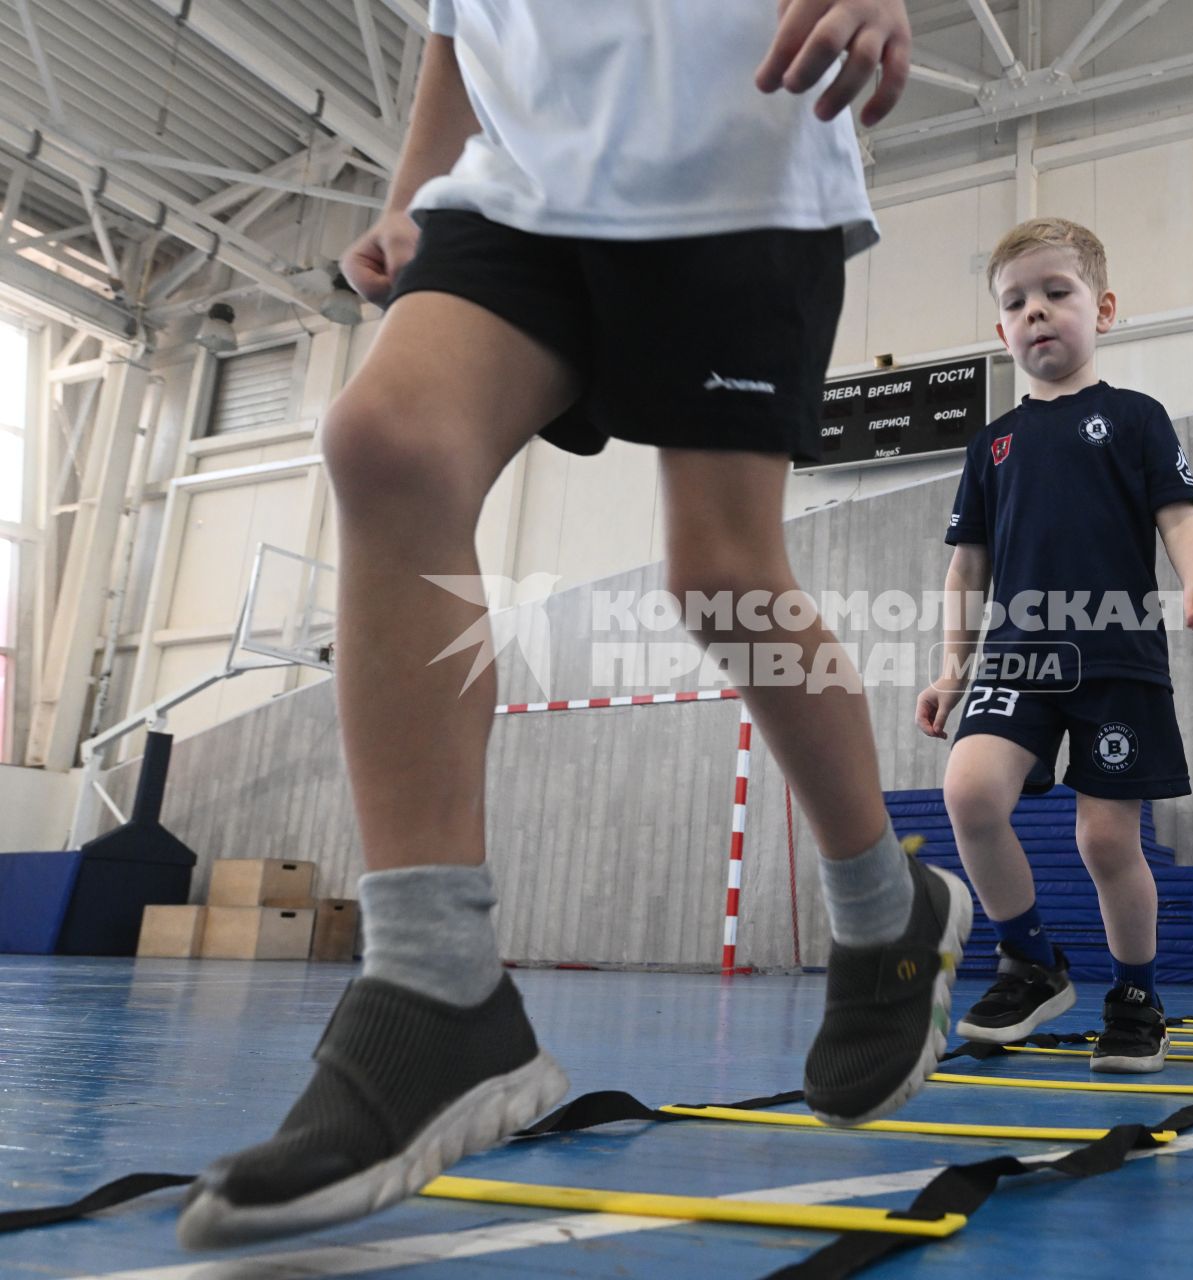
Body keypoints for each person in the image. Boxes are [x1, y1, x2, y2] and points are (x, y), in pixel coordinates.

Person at [176, 0, 976, 1251]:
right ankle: (435, 979)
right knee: (386, 442)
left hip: (742, 160)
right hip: (515, 188)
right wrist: (414, 189)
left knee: (721, 577)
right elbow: (460, 24)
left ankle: (885, 905)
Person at [916, 217, 1193, 1072]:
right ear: (1000, 332)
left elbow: (1179, 516)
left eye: (1055, 293)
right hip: (1017, 656)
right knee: (969, 792)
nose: (1036, 313)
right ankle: (1030, 957)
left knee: (1105, 841)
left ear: (1102, 307)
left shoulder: (1134, 418)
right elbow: (965, 571)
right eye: (1016, 303)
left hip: (1115, 657)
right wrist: (952, 668)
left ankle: (1135, 992)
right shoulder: (991, 443)